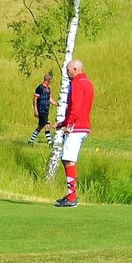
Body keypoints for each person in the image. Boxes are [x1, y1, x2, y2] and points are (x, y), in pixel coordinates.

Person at [55, 58, 94, 208]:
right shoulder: (88, 83)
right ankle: (71, 195)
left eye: (68, 70)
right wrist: (62, 123)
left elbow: (76, 107)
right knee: (66, 158)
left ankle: (72, 197)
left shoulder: (77, 83)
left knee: (69, 159)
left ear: (76, 70)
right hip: (83, 126)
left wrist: (69, 124)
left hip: (76, 127)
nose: (67, 73)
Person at [27, 72, 54, 146]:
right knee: (47, 125)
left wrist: (57, 104)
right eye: (51, 80)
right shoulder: (40, 88)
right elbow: (35, 99)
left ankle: (31, 141)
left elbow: (50, 99)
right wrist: (35, 110)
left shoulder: (48, 89)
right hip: (41, 109)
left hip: (46, 110)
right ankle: (50, 143)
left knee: (40, 126)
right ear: (48, 80)